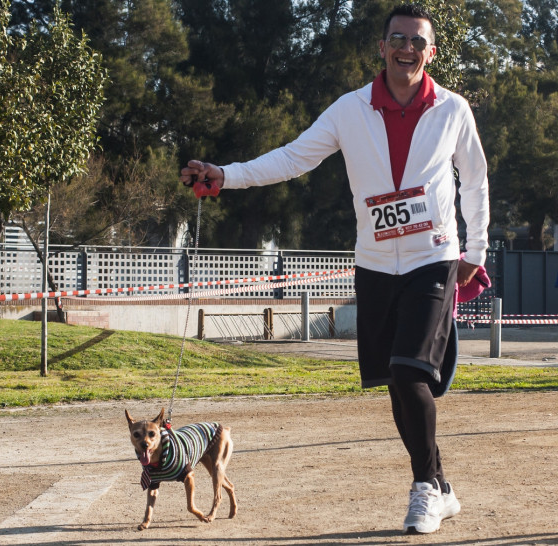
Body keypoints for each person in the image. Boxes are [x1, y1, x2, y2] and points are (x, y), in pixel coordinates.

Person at [180, 2, 490, 535]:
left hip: (433, 257)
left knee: (411, 369)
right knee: (395, 378)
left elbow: (477, 181)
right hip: (373, 264)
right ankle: (439, 483)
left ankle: (424, 490)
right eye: (398, 38)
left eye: (418, 41)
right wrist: (225, 176)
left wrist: (475, 253)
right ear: (382, 46)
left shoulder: (453, 109)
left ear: (430, 52)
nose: (407, 48)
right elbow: (293, 157)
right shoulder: (349, 110)